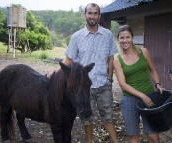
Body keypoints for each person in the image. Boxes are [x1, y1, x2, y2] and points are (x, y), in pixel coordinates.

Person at [47, 3, 119, 143]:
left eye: (95, 13)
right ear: (85, 15)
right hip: (83, 87)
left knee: (108, 116)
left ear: (99, 15)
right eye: (89, 13)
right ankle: (89, 141)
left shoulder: (108, 35)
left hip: (103, 84)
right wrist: (56, 70)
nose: (92, 16)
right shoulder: (77, 36)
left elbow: (111, 59)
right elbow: (69, 58)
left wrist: (110, 79)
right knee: (87, 118)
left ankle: (115, 142)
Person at [113, 24, 164, 143]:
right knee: (133, 136)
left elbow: (152, 69)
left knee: (153, 136)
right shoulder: (117, 59)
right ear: (118, 39)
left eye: (127, 37)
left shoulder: (144, 52)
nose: (125, 40)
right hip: (130, 100)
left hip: (149, 96)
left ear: (132, 37)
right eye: (122, 38)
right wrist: (142, 96)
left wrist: (157, 84)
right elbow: (123, 84)